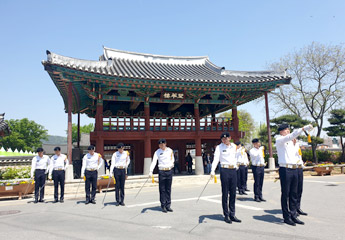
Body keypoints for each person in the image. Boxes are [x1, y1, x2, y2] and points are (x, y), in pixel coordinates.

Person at [276, 123, 313, 226]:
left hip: (295, 168)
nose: (288, 131)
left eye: (288, 129)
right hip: (285, 169)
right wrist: (302, 129)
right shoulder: (280, 140)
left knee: (294, 193)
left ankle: (293, 215)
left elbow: (297, 155)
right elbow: (290, 136)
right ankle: (286, 217)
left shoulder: (294, 143)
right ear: (281, 131)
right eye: (286, 130)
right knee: (286, 193)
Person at [211, 132, 241, 224]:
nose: (224, 140)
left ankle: (232, 214)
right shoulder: (219, 147)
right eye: (223, 139)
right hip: (224, 170)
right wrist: (212, 170)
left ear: (230, 138)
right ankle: (226, 215)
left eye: (226, 138)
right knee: (225, 193)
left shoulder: (234, 146)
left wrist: (237, 164)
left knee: (233, 193)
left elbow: (238, 156)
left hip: (233, 170)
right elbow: (216, 159)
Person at [149, 139, 174, 213]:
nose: (162, 146)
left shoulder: (170, 150)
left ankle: (168, 205)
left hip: (169, 171)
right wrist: (151, 171)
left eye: (163, 144)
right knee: (162, 189)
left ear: (165, 144)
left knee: (168, 189)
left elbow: (172, 159)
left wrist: (171, 165)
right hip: (162, 171)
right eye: (160, 145)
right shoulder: (157, 152)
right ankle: (163, 205)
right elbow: (154, 162)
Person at [293, 138, 308, 216]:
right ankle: (292, 208)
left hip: (299, 168)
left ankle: (298, 207)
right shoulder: (289, 146)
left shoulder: (297, 146)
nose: (295, 139)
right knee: (293, 190)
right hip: (293, 168)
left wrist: (302, 165)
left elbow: (299, 157)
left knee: (299, 189)